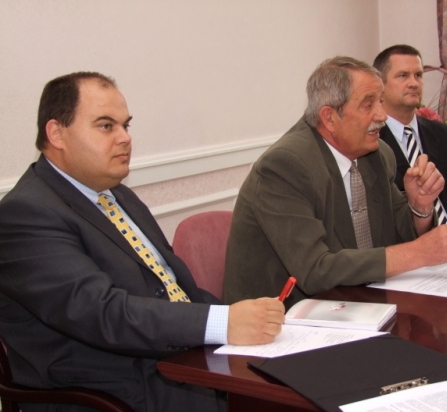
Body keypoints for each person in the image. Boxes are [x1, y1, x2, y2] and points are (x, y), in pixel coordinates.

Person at [0, 72, 285, 412]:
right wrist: (222, 324)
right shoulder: (25, 213)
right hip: (111, 392)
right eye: (106, 126)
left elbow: (172, 287)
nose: (124, 138)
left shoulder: (117, 195)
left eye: (125, 126)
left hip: (177, 364)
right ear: (57, 133)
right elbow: (101, 312)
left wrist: (242, 318)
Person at [223, 56, 447, 308]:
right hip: (282, 318)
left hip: (357, 304)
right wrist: (420, 252)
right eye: (368, 105)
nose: (382, 115)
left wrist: (419, 207)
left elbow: (399, 238)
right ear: (329, 117)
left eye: (381, 101)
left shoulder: (378, 154)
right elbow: (315, 270)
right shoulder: (285, 166)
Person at [373, 44, 447, 224]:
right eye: (403, 76)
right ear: (380, 84)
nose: (413, 83)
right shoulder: (371, 140)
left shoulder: (444, 134)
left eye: (418, 75)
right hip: (410, 239)